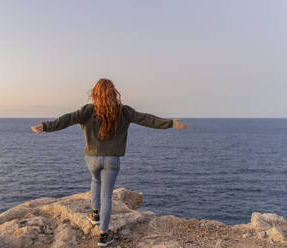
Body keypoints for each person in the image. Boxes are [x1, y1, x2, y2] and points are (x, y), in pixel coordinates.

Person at [31, 78, 187, 247]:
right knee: (106, 194)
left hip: (92, 158)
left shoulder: (87, 111)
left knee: (95, 180)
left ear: (95, 94)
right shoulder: (123, 111)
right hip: (112, 159)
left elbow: (66, 119)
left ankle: (95, 214)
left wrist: (46, 126)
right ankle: (103, 236)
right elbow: (146, 119)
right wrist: (171, 123)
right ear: (114, 93)